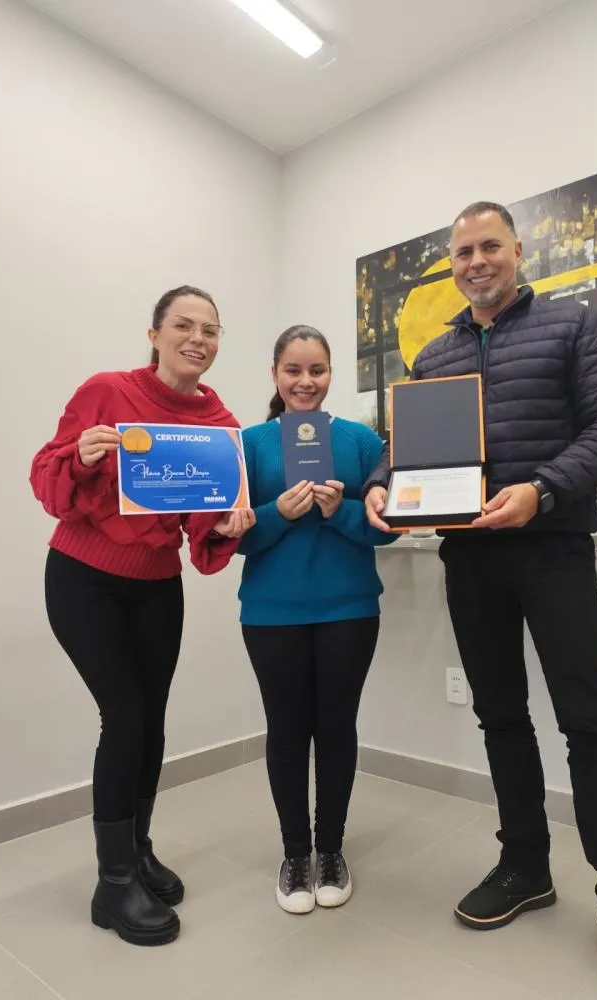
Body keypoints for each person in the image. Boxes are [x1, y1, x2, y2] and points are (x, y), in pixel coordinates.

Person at [363, 203, 597, 1000]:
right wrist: (379, 485)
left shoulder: (572, 325)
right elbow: (402, 449)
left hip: (553, 548)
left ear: (518, 250)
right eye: (462, 251)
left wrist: (544, 488)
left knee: (588, 726)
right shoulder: (434, 355)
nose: (476, 261)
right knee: (500, 718)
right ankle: (526, 864)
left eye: (489, 245)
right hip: (469, 559)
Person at [30, 285, 252, 946]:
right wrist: (81, 456)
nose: (197, 339)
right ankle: (113, 882)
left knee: (151, 722)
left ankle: (137, 849)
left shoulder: (220, 424)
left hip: (157, 586)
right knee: (125, 718)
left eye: (210, 330)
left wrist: (229, 524)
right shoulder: (107, 391)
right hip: (83, 580)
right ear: (154, 335)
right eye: (183, 325)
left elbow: (202, 529)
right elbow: (46, 478)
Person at [217, 324, 396, 914]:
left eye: (316, 370)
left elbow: (388, 531)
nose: (305, 381)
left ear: (330, 375)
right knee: (287, 730)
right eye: (293, 370)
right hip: (271, 614)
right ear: (275, 375)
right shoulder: (247, 445)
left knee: (337, 727)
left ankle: (332, 850)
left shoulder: (361, 440)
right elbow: (234, 540)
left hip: (349, 608)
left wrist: (340, 511)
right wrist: (278, 513)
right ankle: (296, 854)